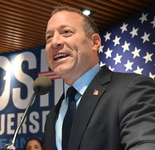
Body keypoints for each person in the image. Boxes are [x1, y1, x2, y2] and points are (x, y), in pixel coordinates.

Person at [43, 5, 155, 150]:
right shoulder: (53, 115)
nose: (54, 42)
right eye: (49, 37)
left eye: (66, 32)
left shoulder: (132, 90)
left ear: (95, 42)